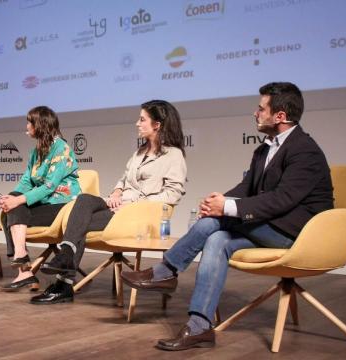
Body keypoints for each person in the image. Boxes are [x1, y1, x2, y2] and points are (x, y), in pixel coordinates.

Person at [121, 82, 334, 351]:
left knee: (214, 221)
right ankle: (199, 327)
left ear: (280, 116)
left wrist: (225, 209)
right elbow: (247, 189)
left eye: (261, 108)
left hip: (297, 235)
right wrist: (218, 200)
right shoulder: (265, 148)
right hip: (269, 227)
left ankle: (166, 271)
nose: (255, 113)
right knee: (217, 239)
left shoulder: (305, 151)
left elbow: (282, 200)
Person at [30, 100, 187, 304]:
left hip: (137, 215)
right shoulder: (139, 152)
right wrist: (116, 192)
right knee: (85, 200)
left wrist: (132, 205)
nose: (137, 124)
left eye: (142, 120)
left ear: (157, 125)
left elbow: (173, 194)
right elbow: (123, 179)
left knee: (78, 224)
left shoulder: (173, 156)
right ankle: (66, 258)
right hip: (118, 207)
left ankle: (63, 284)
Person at [0, 106, 81, 292]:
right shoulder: (36, 151)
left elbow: (50, 186)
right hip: (44, 203)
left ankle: (23, 269)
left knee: (16, 207)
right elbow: (27, 181)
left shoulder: (62, 149)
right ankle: (24, 268)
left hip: (62, 205)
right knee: (10, 208)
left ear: (40, 125)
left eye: (29, 122)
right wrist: (11, 198)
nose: (27, 126)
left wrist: (18, 201)